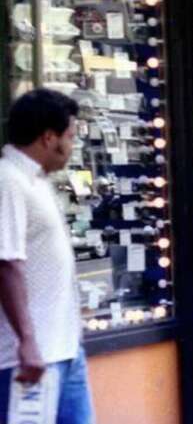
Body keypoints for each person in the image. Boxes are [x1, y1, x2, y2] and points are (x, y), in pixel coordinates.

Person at [0, 89, 93, 423]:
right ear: (48, 137)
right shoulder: (7, 180)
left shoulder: (37, 181)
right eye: (69, 137)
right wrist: (27, 343)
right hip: (29, 357)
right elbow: (6, 264)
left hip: (65, 348)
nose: (72, 146)